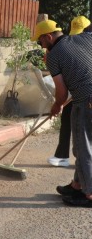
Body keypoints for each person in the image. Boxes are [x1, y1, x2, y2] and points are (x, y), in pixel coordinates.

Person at [32, 19, 92, 207]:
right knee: (85, 145)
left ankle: (89, 193)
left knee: (83, 149)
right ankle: (77, 185)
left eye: (40, 42)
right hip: (86, 96)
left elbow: (62, 92)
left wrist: (57, 105)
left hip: (86, 102)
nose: (41, 46)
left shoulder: (54, 55)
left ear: (48, 37)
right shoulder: (83, 38)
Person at [47, 15, 91, 167]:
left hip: (85, 92)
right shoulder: (72, 44)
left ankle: (84, 184)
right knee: (68, 117)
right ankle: (63, 156)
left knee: (83, 140)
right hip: (79, 91)